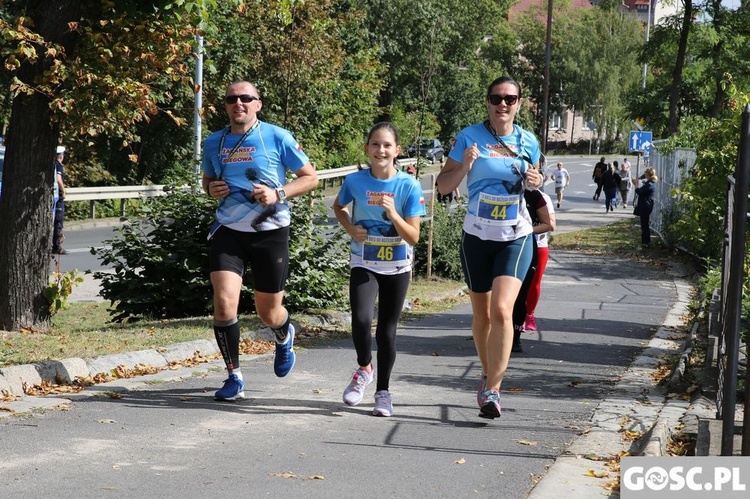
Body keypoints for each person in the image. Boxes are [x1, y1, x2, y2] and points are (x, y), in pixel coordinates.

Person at [202, 80, 319, 401]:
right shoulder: (213, 142)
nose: (238, 103)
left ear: (257, 104)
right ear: (225, 105)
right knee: (224, 302)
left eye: (245, 98)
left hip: (270, 231)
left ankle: (284, 334)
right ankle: (233, 376)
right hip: (229, 231)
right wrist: (211, 190)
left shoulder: (277, 137)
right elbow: (208, 182)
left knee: (269, 312)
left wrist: (278, 192)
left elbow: (310, 178)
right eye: (231, 99)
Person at [436, 75, 543, 419]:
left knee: (501, 311)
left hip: (515, 236)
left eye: (510, 99)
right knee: (481, 315)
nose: (502, 104)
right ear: (487, 102)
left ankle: (493, 389)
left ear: (519, 104)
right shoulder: (468, 137)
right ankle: (487, 373)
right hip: (477, 236)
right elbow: (442, 186)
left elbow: (535, 180)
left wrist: (536, 180)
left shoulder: (528, 141)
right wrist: (465, 165)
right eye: (496, 98)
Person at [334, 122, 426, 417]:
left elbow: (413, 236)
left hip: (397, 266)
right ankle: (364, 368)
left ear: (397, 151)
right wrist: (351, 228)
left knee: (386, 332)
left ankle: (383, 392)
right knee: (361, 319)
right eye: (375, 144)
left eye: (387, 145)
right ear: (367, 149)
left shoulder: (408, 185)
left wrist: (393, 214)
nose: (381, 150)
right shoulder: (355, 181)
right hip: (364, 261)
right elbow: (339, 207)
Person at [511, 185, 555, 353]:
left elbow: (548, 224)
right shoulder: (495, 188)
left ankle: (515, 338)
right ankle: (497, 333)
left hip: (527, 248)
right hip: (497, 247)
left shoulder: (534, 195)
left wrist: (525, 230)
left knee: (521, 295)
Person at [523, 189, 556, 333]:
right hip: (516, 244)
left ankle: (529, 315)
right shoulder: (511, 192)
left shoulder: (543, 198)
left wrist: (527, 229)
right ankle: (515, 316)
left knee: (534, 283)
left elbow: (552, 225)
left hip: (539, 245)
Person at [634, 167, 658, 245]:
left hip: (645, 205)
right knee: (644, 224)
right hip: (646, 205)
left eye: (645, 174)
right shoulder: (649, 184)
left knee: (644, 224)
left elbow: (640, 192)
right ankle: (645, 241)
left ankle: (646, 241)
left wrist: (636, 186)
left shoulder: (649, 185)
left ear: (648, 174)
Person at [52, 148, 67, 255]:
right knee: (58, 221)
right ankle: (56, 246)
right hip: (58, 196)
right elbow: (58, 178)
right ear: (61, 155)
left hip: (54, 195)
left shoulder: (52, 164)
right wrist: (63, 190)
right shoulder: (58, 165)